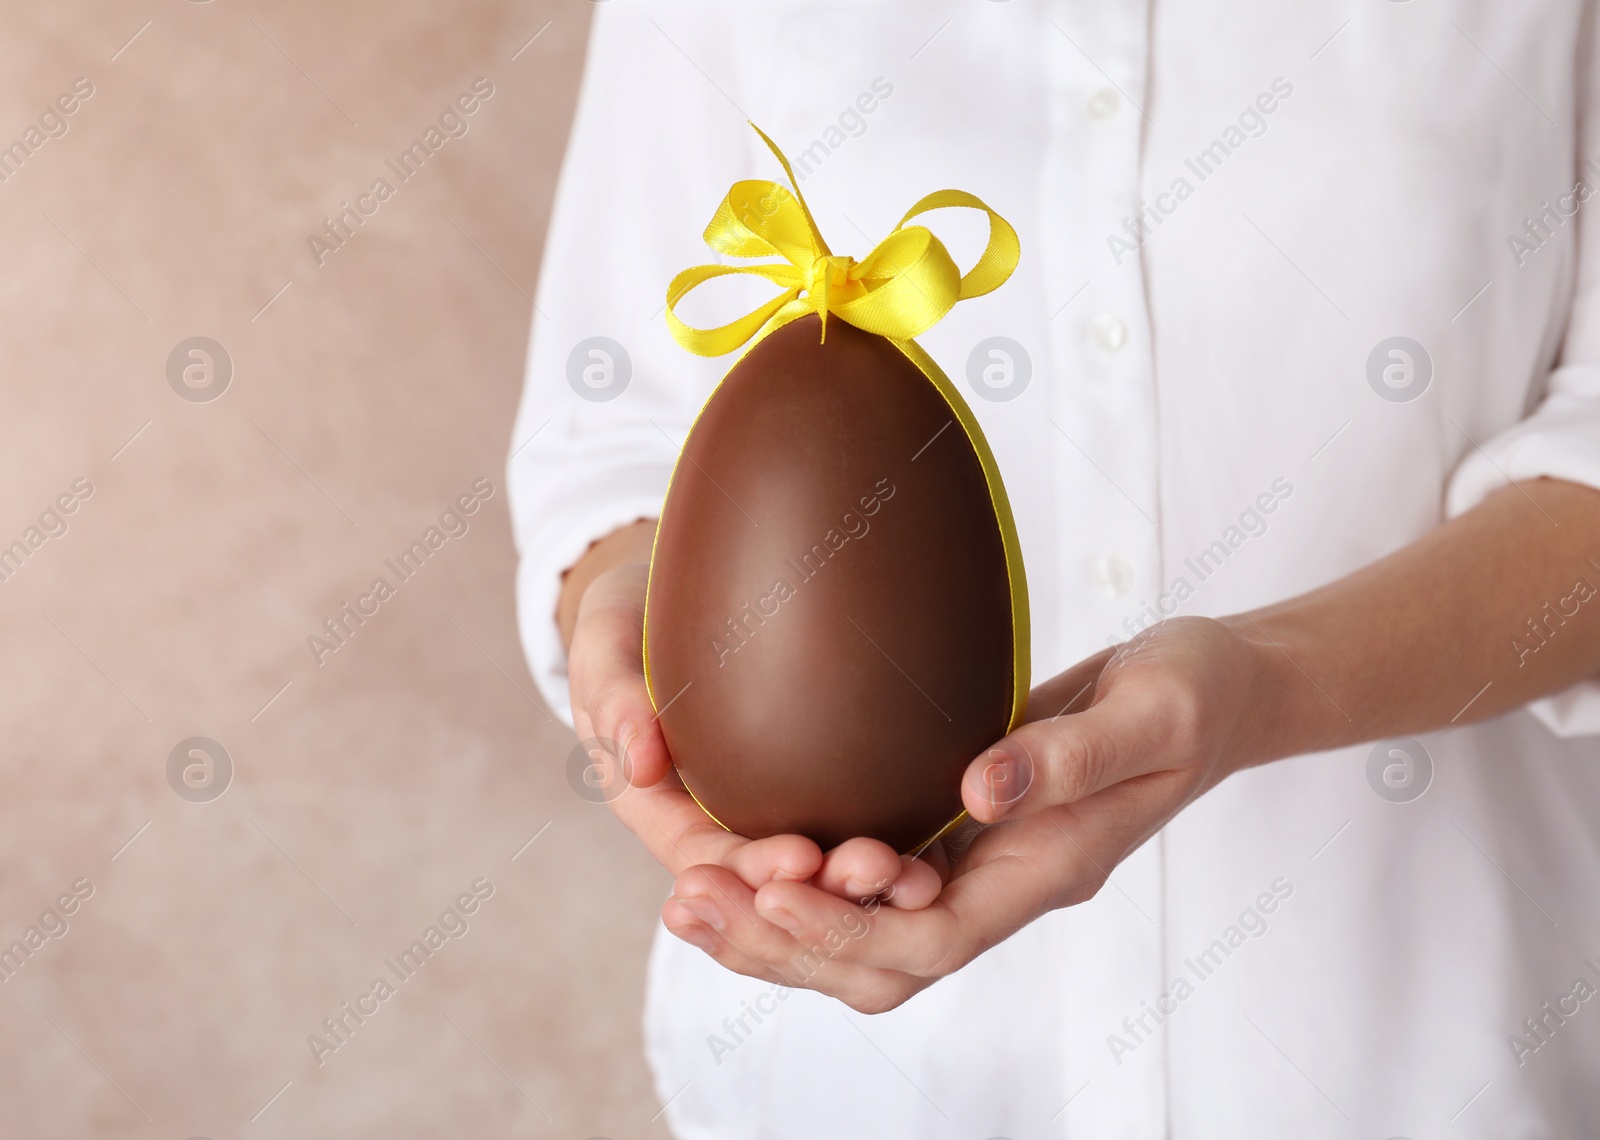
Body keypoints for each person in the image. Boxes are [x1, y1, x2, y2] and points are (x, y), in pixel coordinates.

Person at [509, 3, 1600, 1135]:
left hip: (1416, 1042)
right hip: (869, 1086)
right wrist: (623, 628)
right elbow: (613, 437)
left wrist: (1263, 684)